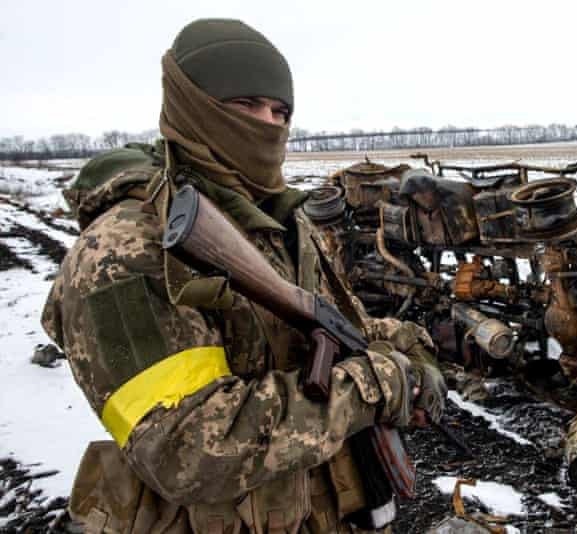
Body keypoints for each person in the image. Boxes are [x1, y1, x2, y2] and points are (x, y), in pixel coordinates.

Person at [42, 18, 445, 534]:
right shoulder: (121, 247)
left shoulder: (280, 219)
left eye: (280, 112)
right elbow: (189, 447)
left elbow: (347, 324)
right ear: (192, 105)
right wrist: (373, 386)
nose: (268, 124)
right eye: (246, 106)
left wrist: (412, 350)